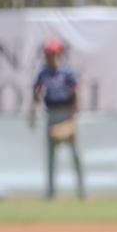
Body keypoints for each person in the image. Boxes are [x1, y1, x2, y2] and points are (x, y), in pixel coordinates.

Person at [30, 38, 86, 201]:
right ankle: (51, 192)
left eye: (53, 54)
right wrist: (33, 112)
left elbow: (75, 94)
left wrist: (73, 116)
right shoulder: (43, 73)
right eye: (48, 54)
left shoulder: (67, 72)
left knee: (75, 155)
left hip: (66, 114)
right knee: (50, 156)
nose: (50, 57)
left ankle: (81, 190)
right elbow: (36, 93)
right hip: (51, 114)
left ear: (60, 54)